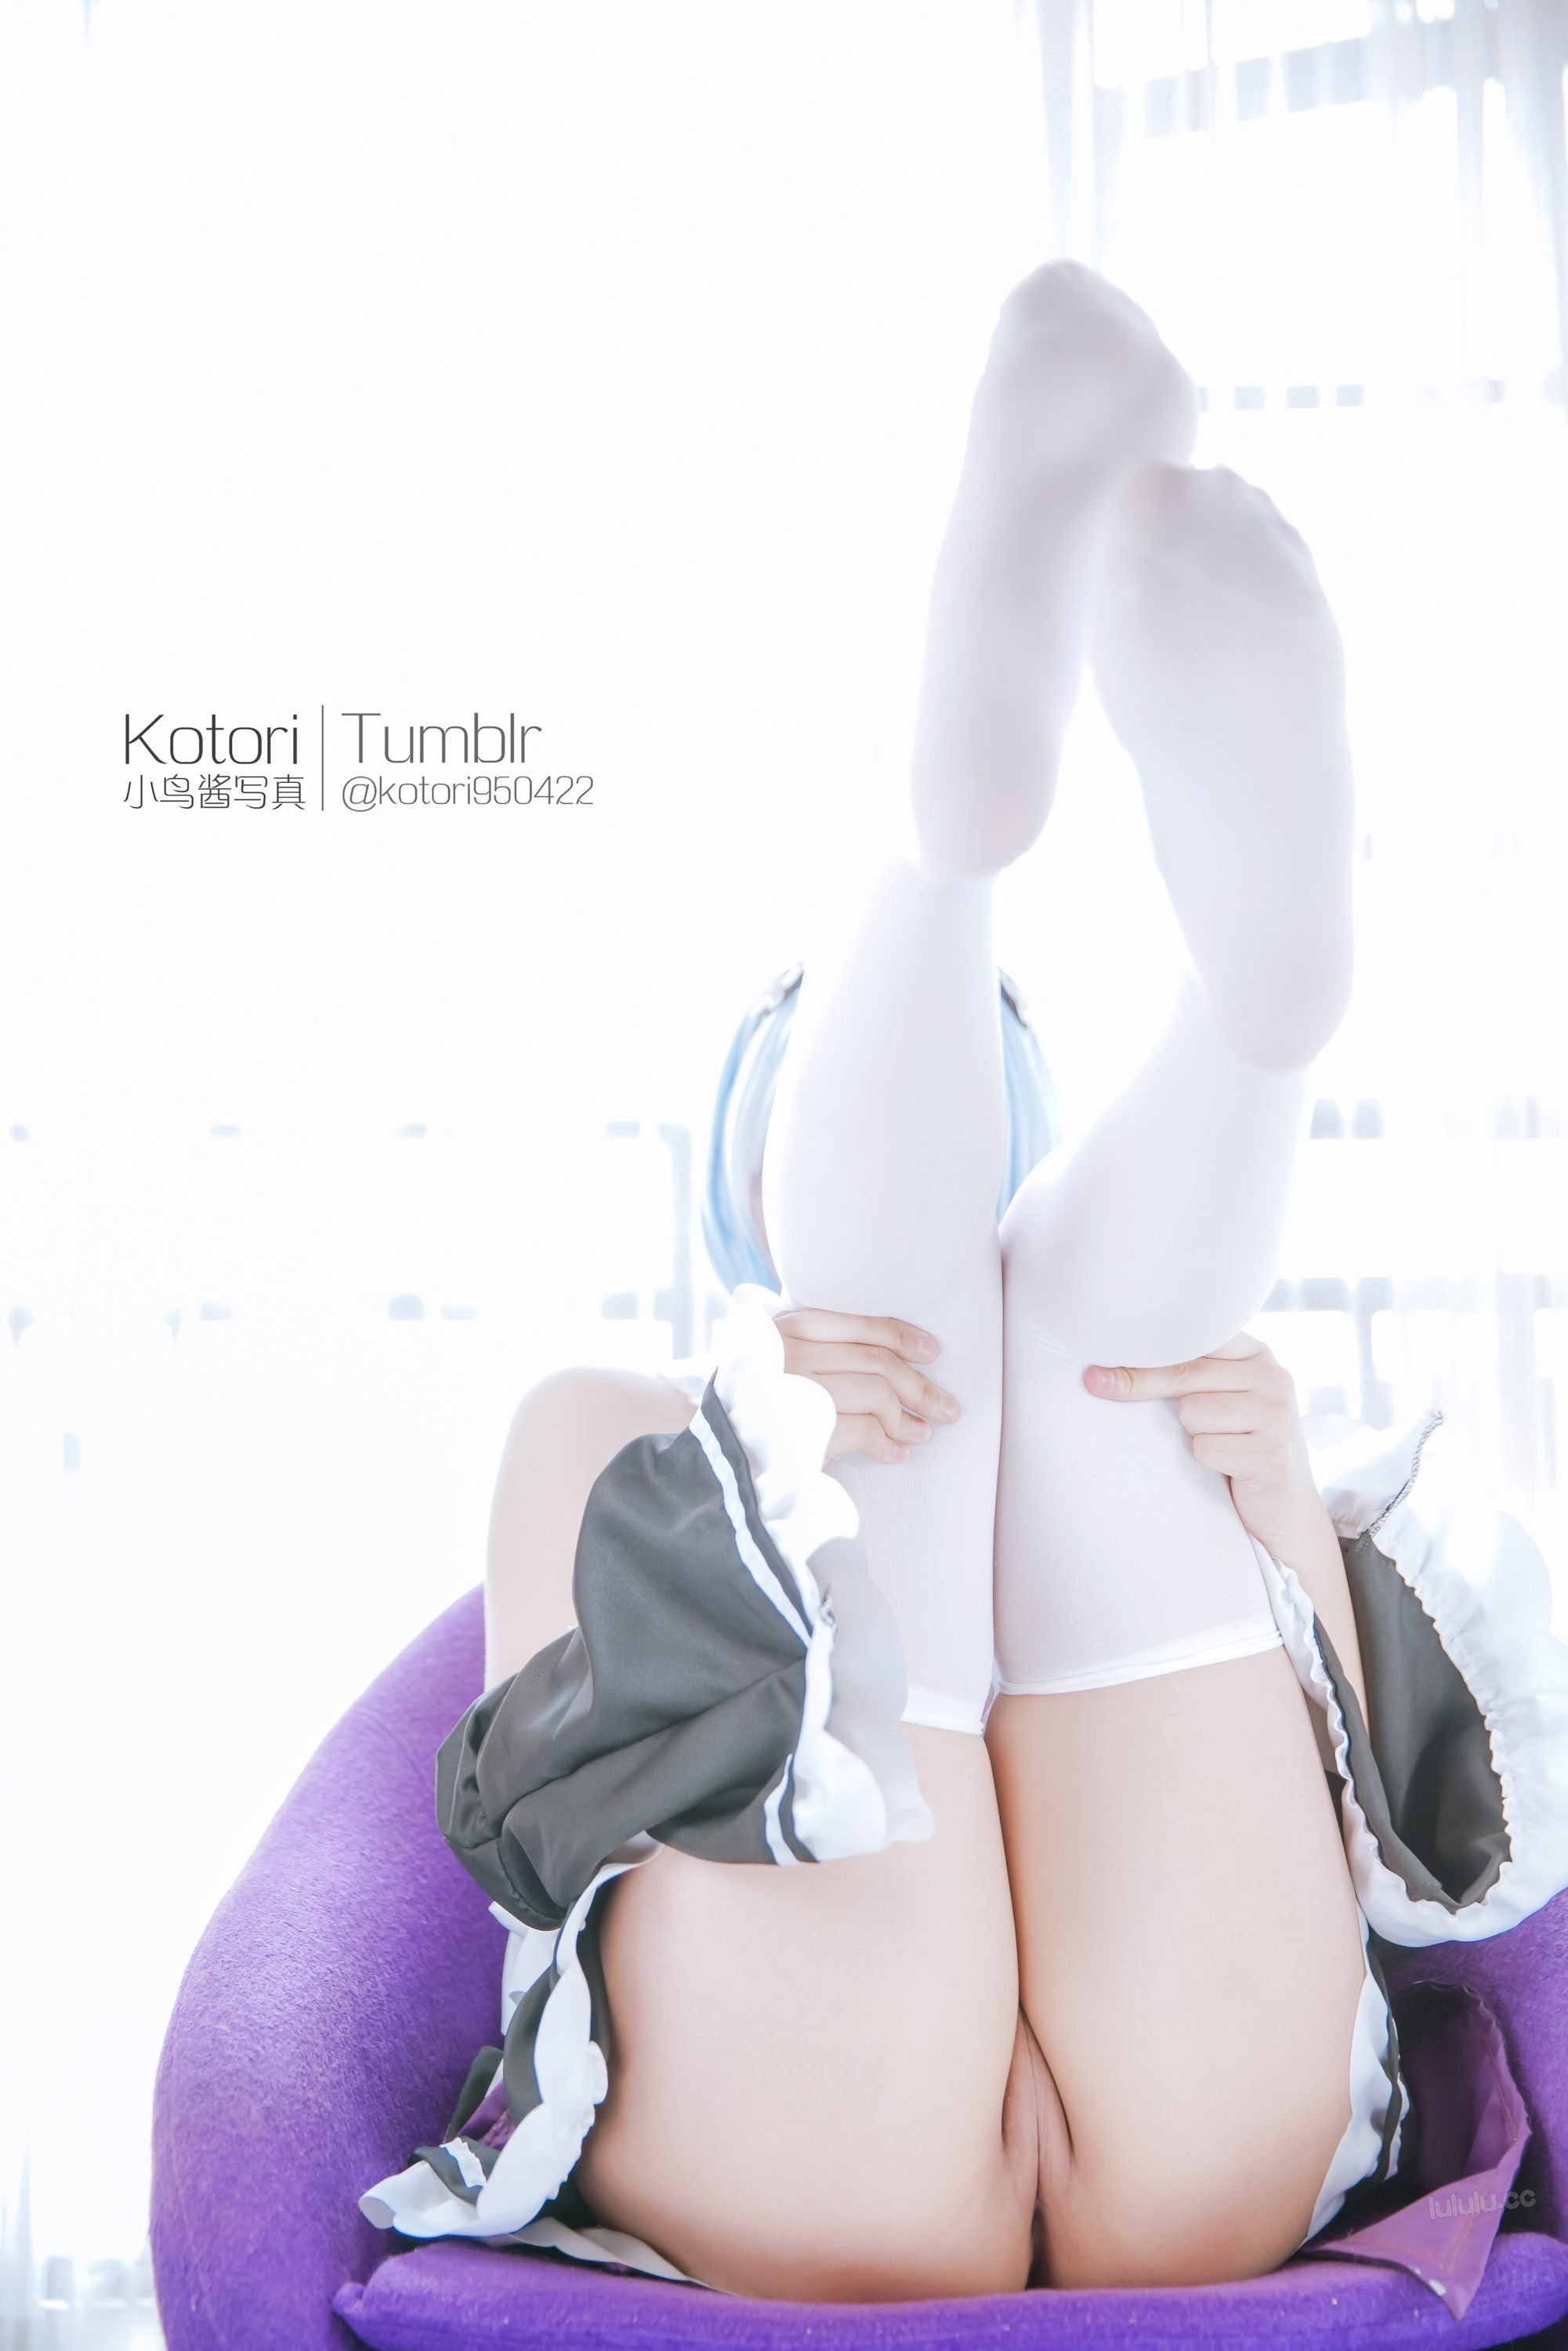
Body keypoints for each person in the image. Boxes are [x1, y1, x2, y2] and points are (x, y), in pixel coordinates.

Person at [360, 263, 1568, 2300]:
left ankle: (1145, 957)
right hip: (1067, 2144)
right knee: (951, 1365)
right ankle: (1148, 967)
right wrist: (756, 1473)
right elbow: (542, 1824)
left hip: (1039, 2142)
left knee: (1101, 1360)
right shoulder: (609, 1425)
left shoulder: (1114, 1391)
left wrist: (1278, 1505)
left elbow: (1374, 1829)